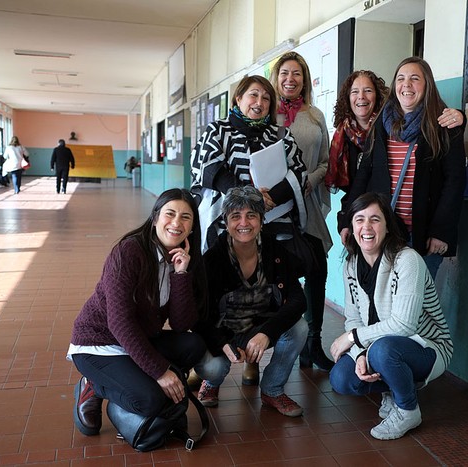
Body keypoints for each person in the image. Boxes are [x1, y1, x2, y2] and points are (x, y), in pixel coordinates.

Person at [190, 74, 307, 385]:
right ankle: (207, 366)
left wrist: (274, 196)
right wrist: (247, 198)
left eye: (266, 98)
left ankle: (253, 361)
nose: (259, 103)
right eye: (253, 95)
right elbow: (206, 167)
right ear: (238, 99)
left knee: (263, 292)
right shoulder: (218, 129)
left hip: (270, 225)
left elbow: (299, 173)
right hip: (227, 225)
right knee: (224, 293)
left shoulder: (280, 134)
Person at [68, 188, 208, 437]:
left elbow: (180, 323)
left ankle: (133, 378)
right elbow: (119, 322)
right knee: (150, 400)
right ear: (155, 217)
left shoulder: (181, 258)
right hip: (99, 344)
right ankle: (94, 386)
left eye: (186, 217)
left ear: (193, 227)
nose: (176, 223)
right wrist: (160, 372)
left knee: (193, 345)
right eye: (170, 214)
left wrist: (181, 275)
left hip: (139, 339)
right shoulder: (128, 252)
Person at [329, 192, 453, 440]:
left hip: (428, 346)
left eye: (375, 219)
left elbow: (404, 325)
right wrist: (360, 352)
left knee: (383, 351)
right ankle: (392, 387)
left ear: (387, 226)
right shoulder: (351, 265)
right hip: (380, 345)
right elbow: (353, 318)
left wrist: (352, 338)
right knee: (341, 378)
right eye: (359, 219)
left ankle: (408, 409)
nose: (366, 226)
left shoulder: (408, 260)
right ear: (352, 227)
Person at [338, 57, 467, 279]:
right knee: (381, 303)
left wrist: (440, 231)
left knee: (416, 307)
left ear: (427, 85)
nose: (406, 85)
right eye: (401, 78)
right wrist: (349, 219)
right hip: (383, 232)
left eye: (414, 79)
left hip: (422, 235)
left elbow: (455, 181)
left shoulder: (444, 124)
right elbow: (364, 174)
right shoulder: (381, 123)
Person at [194, 186, 308, 417]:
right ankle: (211, 384)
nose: (243, 222)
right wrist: (224, 343)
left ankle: (272, 390)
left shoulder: (275, 251)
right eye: (236, 216)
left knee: (299, 328)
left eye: (251, 215)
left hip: (259, 326)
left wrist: (267, 332)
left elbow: (298, 300)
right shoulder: (212, 259)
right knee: (213, 367)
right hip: (224, 332)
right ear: (226, 220)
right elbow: (201, 315)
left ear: (261, 220)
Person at [269, 51, 333, 371]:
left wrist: (312, 179)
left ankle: (314, 345)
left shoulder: (315, 115)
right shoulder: (266, 115)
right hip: (276, 209)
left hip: (308, 204)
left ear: (305, 79)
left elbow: (325, 161)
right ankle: (278, 344)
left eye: (296, 73)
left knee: (318, 271)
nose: (290, 79)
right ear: (276, 77)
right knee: (277, 275)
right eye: (284, 73)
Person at [327, 69, 463, 216]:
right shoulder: (342, 137)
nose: (361, 97)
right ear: (347, 97)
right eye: (354, 92)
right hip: (364, 218)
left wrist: (461, 116)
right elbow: (355, 184)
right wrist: (346, 219)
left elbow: (452, 180)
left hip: (402, 219)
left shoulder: (388, 125)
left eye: (368, 90)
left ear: (378, 96)